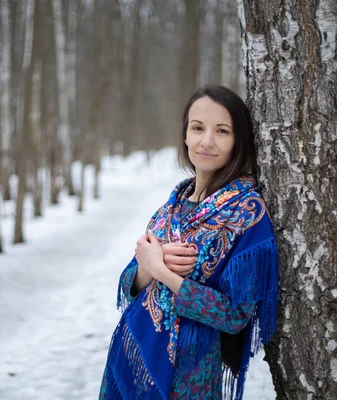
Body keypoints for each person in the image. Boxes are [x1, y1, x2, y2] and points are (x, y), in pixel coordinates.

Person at [99, 85, 279, 400]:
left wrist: (162, 270)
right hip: (130, 360)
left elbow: (234, 316)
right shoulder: (171, 207)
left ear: (238, 141)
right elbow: (129, 286)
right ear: (185, 135)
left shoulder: (246, 213)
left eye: (222, 131)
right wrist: (147, 267)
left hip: (188, 376)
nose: (206, 141)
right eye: (197, 128)